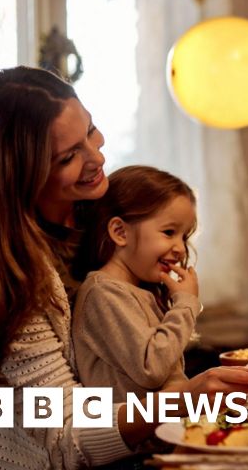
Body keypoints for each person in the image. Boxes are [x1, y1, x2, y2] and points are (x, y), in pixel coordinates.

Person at [0, 67, 248, 469]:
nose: (96, 157)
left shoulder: (94, 217)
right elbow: (63, 435)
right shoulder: (4, 275)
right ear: (20, 176)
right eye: (68, 156)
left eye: (91, 132)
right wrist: (181, 401)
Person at [72, 166, 201, 399]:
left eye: (184, 236)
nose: (181, 249)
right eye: (169, 232)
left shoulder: (138, 291)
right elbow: (151, 368)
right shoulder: (104, 293)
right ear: (120, 232)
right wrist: (186, 304)